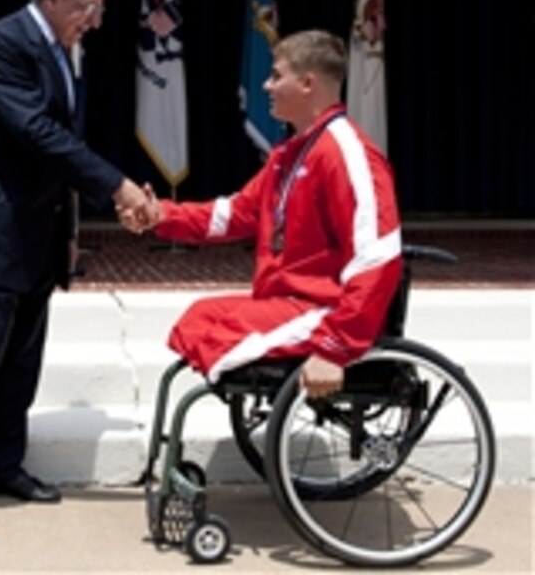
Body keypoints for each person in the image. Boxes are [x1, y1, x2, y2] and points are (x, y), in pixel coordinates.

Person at [0, 0, 151, 522]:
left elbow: (58, 149)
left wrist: (69, 230)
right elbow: (37, 133)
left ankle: (2, 466)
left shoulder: (63, 52)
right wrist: (119, 187)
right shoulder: (2, 44)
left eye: (99, 8)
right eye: (86, 7)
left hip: (36, 227)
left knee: (23, 356)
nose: (95, 20)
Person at [129, 29, 402, 399]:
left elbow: (377, 255)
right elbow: (234, 214)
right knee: (198, 319)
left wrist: (336, 347)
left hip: (329, 312)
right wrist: (160, 215)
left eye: (276, 75)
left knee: (215, 338)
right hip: (286, 302)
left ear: (308, 83)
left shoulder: (347, 152)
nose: (265, 85)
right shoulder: (289, 153)